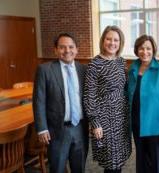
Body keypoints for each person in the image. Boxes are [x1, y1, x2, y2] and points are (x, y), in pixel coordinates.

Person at [33, 32, 89, 173]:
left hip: (80, 128)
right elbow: (39, 100)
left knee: (79, 168)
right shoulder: (45, 70)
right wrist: (42, 128)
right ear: (56, 50)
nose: (67, 51)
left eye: (71, 47)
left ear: (76, 49)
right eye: (62, 47)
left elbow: (90, 98)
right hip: (57, 130)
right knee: (57, 168)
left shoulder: (84, 70)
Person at [83, 25, 131, 173]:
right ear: (103, 40)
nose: (112, 43)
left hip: (121, 118)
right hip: (105, 119)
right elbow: (89, 96)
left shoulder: (121, 61)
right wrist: (95, 123)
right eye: (108, 39)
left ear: (120, 42)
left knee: (119, 160)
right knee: (111, 162)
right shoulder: (94, 64)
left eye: (116, 40)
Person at [127, 35, 159, 173]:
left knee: (157, 166)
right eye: (141, 48)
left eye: (148, 48)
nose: (145, 52)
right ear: (136, 50)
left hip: (157, 127)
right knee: (141, 164)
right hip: (137, 124)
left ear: (154, 50)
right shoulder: (132, 69)